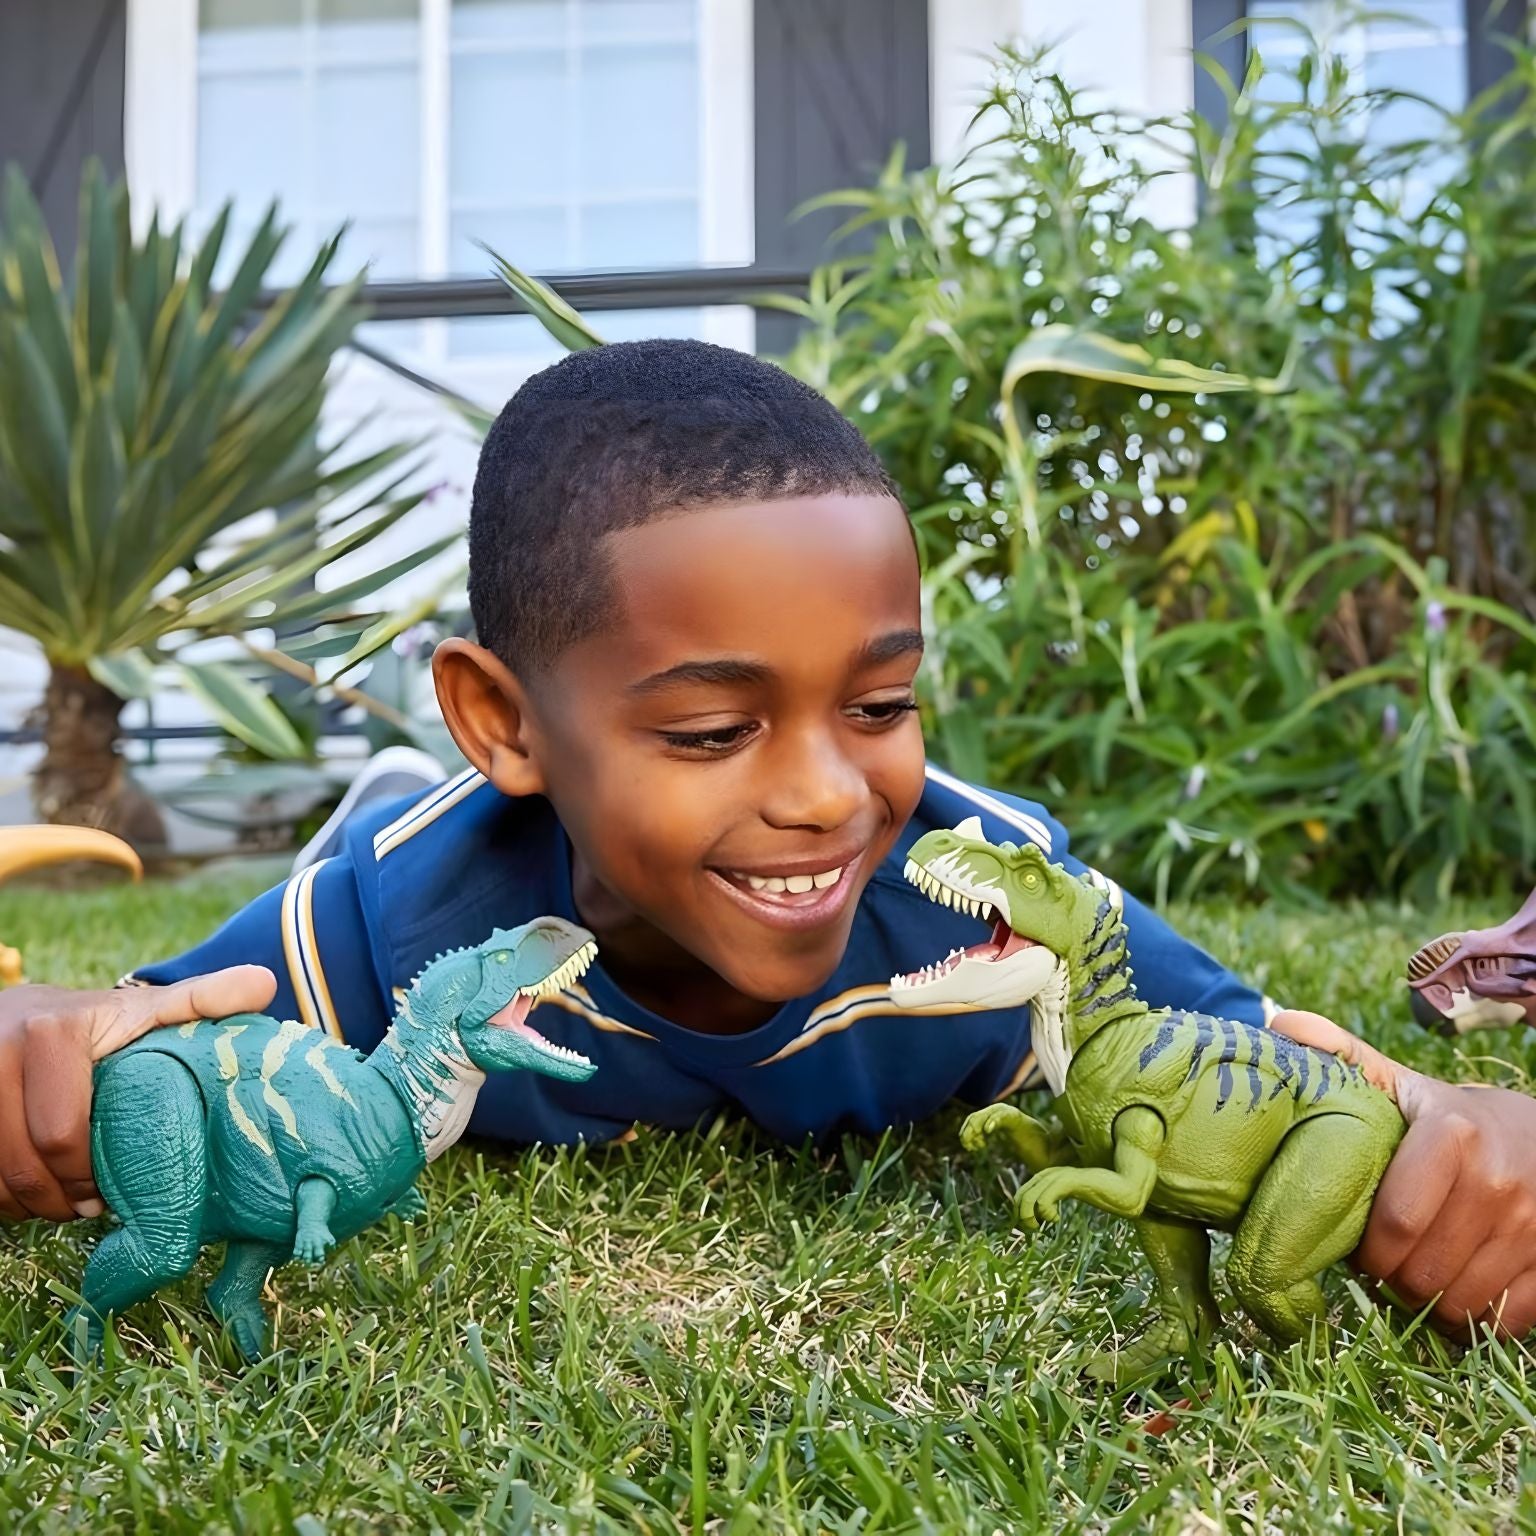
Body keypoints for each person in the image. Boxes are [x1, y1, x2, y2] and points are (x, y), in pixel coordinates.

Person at [5, 340, 1536, 1339]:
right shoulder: (389, 925)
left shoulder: (983, 892)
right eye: (711, 729)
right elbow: (131, 1046)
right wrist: (47, 1060)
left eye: (879, 702)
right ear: (506, 722)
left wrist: (1456, 1126)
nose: (824, 794)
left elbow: (1287, 1059)